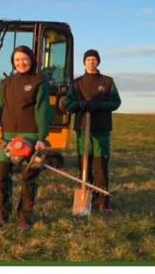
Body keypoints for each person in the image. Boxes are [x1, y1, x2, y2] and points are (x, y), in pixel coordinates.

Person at [0, 45, 53, 231]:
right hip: (7, 137)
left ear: (31, 59)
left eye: (24, 59)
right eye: (17, 60)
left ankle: (25, 218)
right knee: (1, 176)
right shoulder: (6, 82)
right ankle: (2, 214)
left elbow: (42, 110)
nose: (21, 63)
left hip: (30, 135)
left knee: (28, 178)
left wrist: (41, 137)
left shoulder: (39, 81)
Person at [64, 49, 122, 213]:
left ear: (98, 62)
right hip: (83, 128)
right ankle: (86, 198)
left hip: (101, 128)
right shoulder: (76, 83)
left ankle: (103, 200)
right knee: (84, 163)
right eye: (88, 59)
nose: (91, 62)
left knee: (101, 164)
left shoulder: (107, 82)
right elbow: (68, 104)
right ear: (84, 62)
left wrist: (99, 106)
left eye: (94, 59)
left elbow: (116, 102)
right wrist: (79, 104)